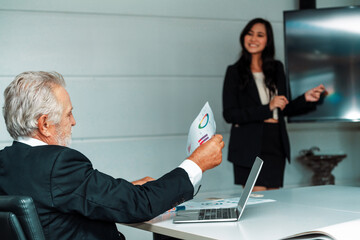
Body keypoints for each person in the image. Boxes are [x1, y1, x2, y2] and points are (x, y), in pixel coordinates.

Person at [0, 71, 225, 240]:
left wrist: (125, 188)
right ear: (45, 124)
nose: (73, 121)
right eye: (69, 113)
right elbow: (139, 205)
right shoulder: (57, 163)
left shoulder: (7, 162)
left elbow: (56, 198)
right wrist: (196, 163)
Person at [222, 18, 326, 192]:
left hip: (275, 142)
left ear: (267, 40)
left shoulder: (276, 68)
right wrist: (267, 108)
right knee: (258, 204)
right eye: (250, 33)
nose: (253, 39)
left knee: (275, 203)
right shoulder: (234, 72)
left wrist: (305, 98)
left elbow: (284, 108)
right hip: (248, 144)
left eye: (260, 35)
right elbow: (230, 114)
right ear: (243, 37)